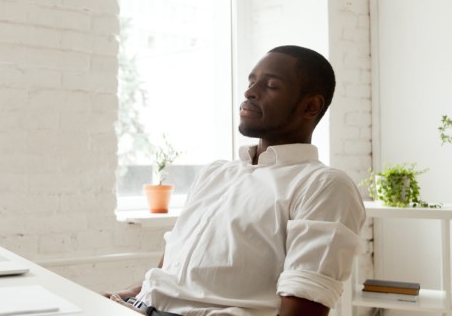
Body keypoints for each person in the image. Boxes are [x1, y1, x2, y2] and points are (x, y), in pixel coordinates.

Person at [104, 45, 366, 316]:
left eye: (271, 85)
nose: (250, 92)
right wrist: (134, 293)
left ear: (310, 106)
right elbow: (173, 264)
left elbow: (302, 310)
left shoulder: (324, 186)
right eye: (251, 81)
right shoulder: (215, 173)